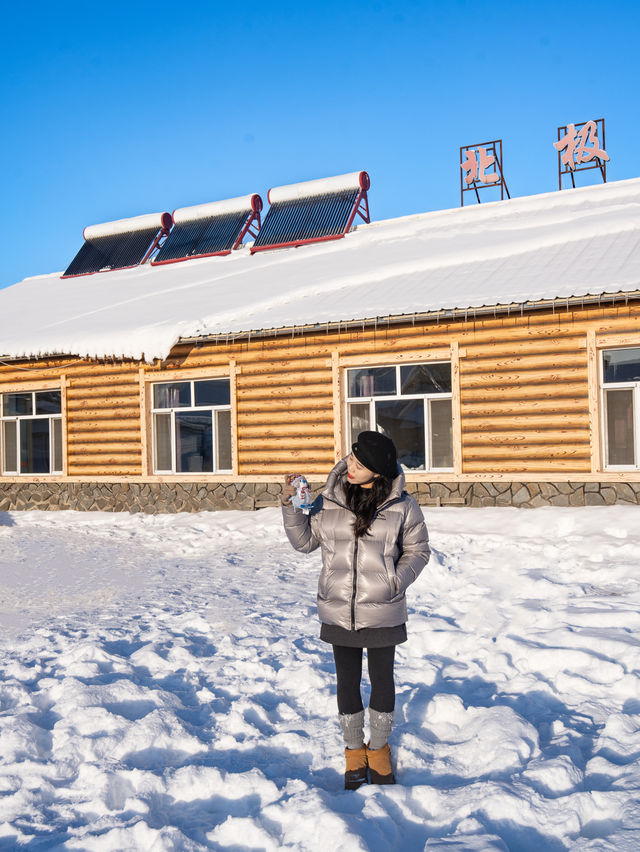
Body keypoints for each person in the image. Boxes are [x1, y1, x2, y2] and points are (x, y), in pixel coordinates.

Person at [281, 431, 430, 789]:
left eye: (360, 464)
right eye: (351, 457)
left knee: (382, 682)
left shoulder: (402, 506)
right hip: (338, 609)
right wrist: (291, 505)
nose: (350, 465)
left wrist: (393, 581)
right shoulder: (328, 500)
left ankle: (378, 752)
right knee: (347, 683)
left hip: (382, 609)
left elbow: (419, 551)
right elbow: (304, 542)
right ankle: (353, 755)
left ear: (377, 473)